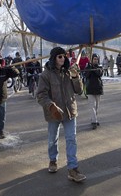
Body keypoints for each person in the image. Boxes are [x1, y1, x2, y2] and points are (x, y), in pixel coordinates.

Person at [36, 47, 86, 183]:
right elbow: (41, 95)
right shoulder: (46, 75)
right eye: (59, 56)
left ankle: (73, 169)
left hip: (70, 111)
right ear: (53, 58)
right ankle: (53, 160)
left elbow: (79, 91)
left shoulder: (69, 72)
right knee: (53, 139)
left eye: (64, 56)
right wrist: (51, 106)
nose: (62, 59)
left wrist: (76, 77)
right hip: (54, 114)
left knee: (71, 139)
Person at [84, 54, 104, 129]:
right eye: (94, 59)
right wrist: (89, 67)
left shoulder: (99, 67)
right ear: (91, 59)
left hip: (98, 89)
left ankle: (94, 118)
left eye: (96, 59)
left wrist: (94, 67)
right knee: (92, 106)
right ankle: (94, 121)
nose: (95, 60)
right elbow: (86, 75)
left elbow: (99, 74)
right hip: (90, 89)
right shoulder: (88, 67)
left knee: (96, 106)